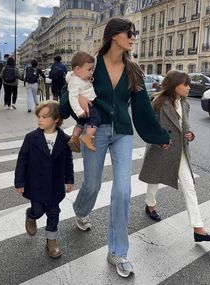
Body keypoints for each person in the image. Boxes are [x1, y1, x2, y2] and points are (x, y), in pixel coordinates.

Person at [72, 17, 170, 278]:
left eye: (134, 33)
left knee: (123, 191)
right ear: (115, 35)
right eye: (130, 32)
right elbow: (72, 89)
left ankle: (117, 251)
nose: (133, 37)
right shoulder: (92, 64)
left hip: (123, 133)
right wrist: (66, 113)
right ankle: (81, 211)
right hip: (96, 131)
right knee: (92, 184)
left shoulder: (133, 70)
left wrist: (159, 134)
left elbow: (142, 107)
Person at [139, 70, 210, 242]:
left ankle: (199, 229)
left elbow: (186, 125)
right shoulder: (158, 102)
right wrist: (159, 140)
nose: (189, 87)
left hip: (180, 150)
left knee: (189, 186)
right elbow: (149, 127)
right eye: (186, 84)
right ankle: (150, 205)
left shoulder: (185, 103)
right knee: (154, 179)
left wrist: (190, 134)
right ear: (175, 86)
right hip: (161, 147)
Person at [14, 100, 74, 258]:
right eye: (39, 116)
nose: (40, 119)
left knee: (54, 213)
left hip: (55, 186)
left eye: (44, 117)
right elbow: (22, 160)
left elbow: (68, 160)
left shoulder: (64, 139)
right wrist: (19, 182)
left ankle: (51, 242)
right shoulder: (31, 138)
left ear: (56, 119)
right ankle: (31, 215)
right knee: (39, 210)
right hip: (36, 185)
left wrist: (69, 179)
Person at [66, 51, 101, 152]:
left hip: (81, 107)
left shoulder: (79, 77)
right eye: (89, 70)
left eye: (92, 69)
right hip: (82, 107)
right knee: (96, 118)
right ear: (77, 69)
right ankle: (87, 136)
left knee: (80, 123)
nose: (91, 72)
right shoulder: (76, 81)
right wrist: (78, 111)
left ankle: (74, 137)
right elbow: (72, 97)